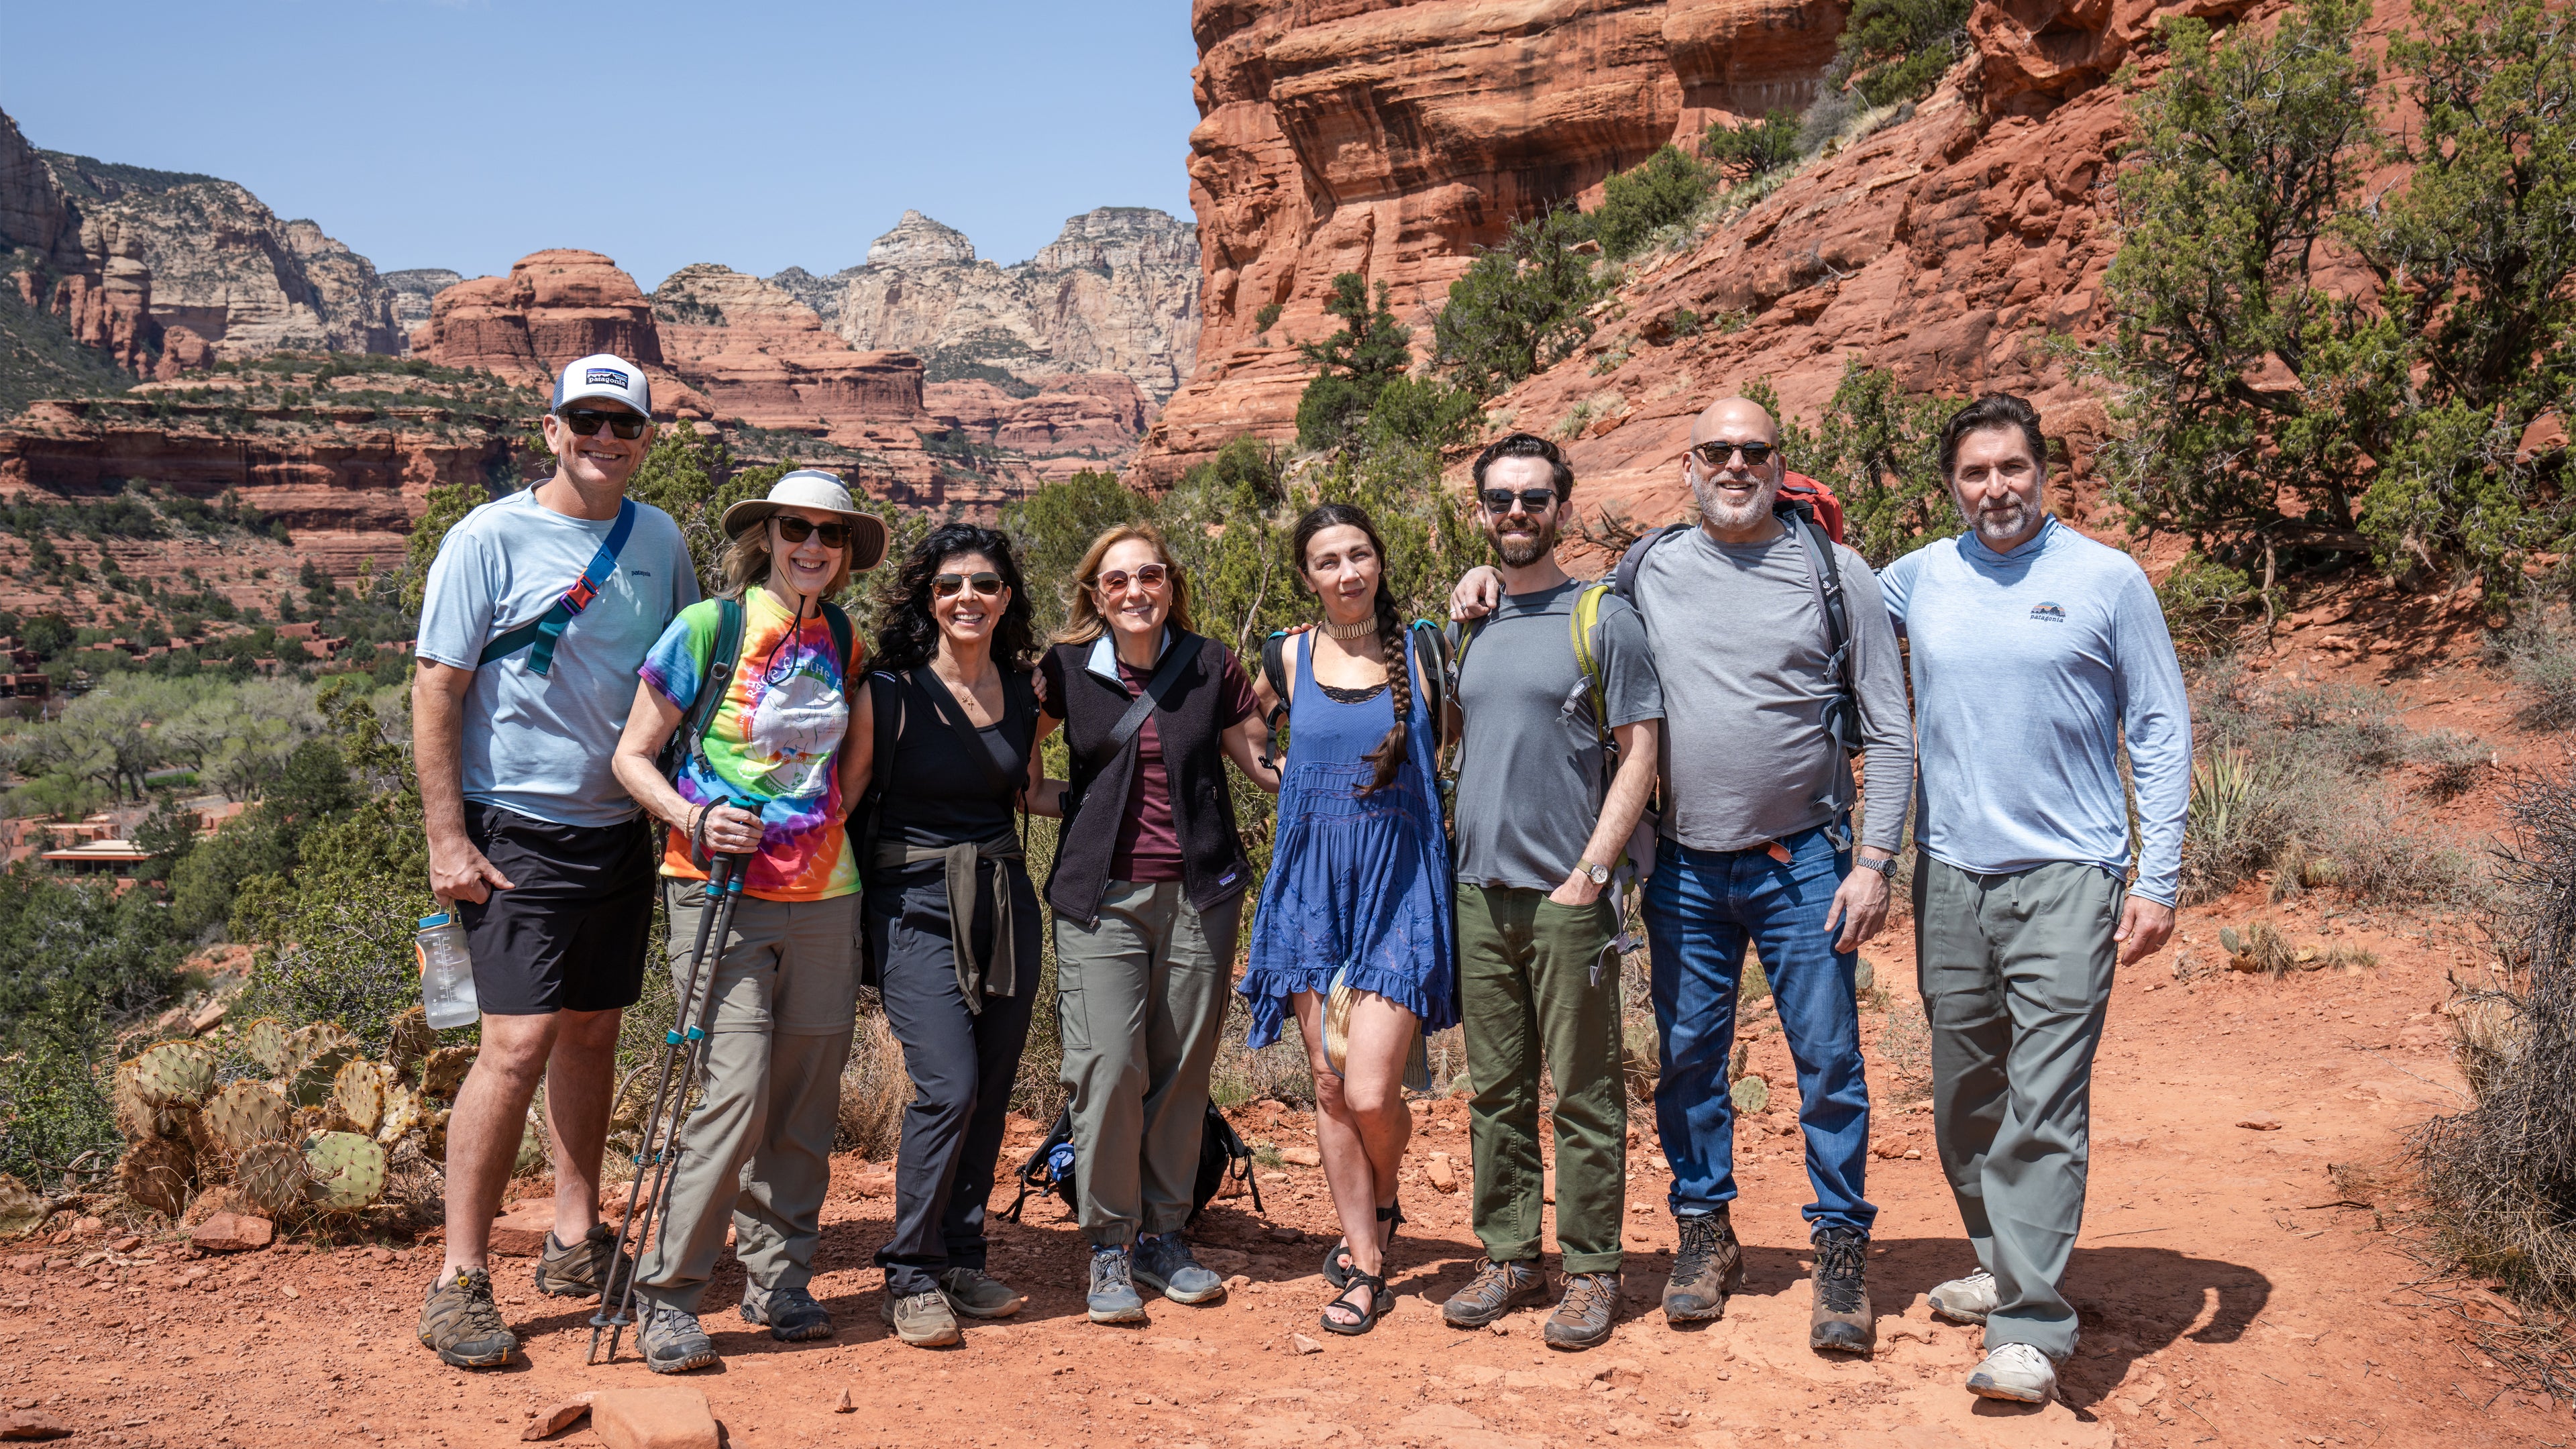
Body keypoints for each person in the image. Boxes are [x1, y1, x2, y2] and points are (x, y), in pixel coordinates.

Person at [1451, 396, 1913, 1354]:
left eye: (1755, 450)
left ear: (1782, 463)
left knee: (1828, 1064)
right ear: (1689, 468)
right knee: (1690, 1060)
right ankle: (1705, 1236)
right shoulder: (1650, 567)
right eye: (1717, 450)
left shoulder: (1840, 573)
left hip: (1805, 861)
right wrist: (1477, 581)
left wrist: (1876, 861)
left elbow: (1892, 727)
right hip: (1685, 869)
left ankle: (1838, 1254)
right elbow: (1552, 602)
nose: (1736, 465)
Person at [1878, 394, 2188, 1403]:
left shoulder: (2106, 579)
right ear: (1952, 485)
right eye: (1975, 474)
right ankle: (2001, 1257)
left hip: (2070, 877)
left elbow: (2158, 726)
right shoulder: (1919, 577)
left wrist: (2159, 874)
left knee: (2044, 1100)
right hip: (1953, 877)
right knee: (1967, 1095)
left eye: (2012, 469)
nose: (1996, 490)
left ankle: (2030, 1325)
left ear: (2044, 472)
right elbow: (1812, 599)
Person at [410, 354, 698, 1368]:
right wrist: (448, 838)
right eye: (586, 420)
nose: (604, 440)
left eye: (623, 425)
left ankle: (575, 1240)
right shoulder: (486, 537)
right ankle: (460, 1278)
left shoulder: (659, 539)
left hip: (617, 829)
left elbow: (684, 672)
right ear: (551, 429)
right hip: (513, 832)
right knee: (515, 1045)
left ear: (646, 438)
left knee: (590, 1034)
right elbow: (439, 689)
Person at [606, 470, 890, 1372]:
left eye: (831, 535)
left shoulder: (844, 637)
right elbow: (632, 756)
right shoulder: (709, 629)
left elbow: (852, 767)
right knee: (733, 1095)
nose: (813, 546)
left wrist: (820, 828)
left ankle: (780, 1282)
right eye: (797, 528)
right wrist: (693, 818)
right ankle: (669, 1297)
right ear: (767, 534)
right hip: (716, 889)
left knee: (807, 1101)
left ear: (846, 554)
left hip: (824, 894)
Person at [1438, 434, 1662, 1351]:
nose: (1518, 514)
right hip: (1479, 894)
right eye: (1501, 500)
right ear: (1481, 513)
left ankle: (1593, 1270)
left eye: (1535, 499)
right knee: (1493, 1089)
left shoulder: (1603, 617)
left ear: (1564, 508)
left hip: (1569, 897)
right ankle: (1506, 1254)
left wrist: (1593, 874)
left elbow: (1642, 750)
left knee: (1583, 1090)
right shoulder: (1469, 622)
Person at [1030, 524, 1281, 1325]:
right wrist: (1079, 805)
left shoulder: (1211, 665)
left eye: (1149, 576)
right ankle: (1108, 1241)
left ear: (1170, 584)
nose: (1134, 591)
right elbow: (1017, 770)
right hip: (1098, 899)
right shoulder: (1065, 671)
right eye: (1116, 581)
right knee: (1106, 1066)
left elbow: (1264, 765)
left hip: (1200, 897)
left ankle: (1163, 1235)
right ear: (1094, 595)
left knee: (1181, 1072)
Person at [1240, 502, 1458, 1338]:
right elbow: (1242, 722)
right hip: (1308, 891)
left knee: (1371, 1090)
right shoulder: (1287, 654)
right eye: (1328, 561)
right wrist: (1283, 776)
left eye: (1359, 555)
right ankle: (1364, 1259)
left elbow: (1457, 739)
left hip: (1401, 888)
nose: (1347, 573)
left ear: (1379, 561)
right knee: (1329, 1084)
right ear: (1308, 576)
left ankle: (1389, 1194)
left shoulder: (1424, 650)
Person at [862, 523, 1060, 1348]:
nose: (967, 598)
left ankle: (963, 1258)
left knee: (991, 1084)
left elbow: (1029, 793)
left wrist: (1137, 804)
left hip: (1004, 898)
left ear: (1007, 597)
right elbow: (841, 805)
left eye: (984, 583)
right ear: (928, 599)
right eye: (950, 586)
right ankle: (909, 1271)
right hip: (912, 902)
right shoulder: (890, 693)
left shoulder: (1026, 694)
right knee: (947, 1083)